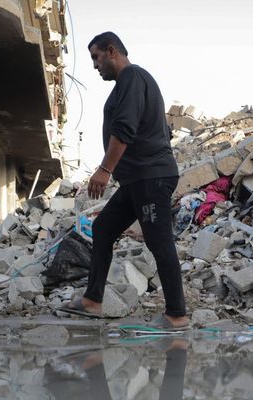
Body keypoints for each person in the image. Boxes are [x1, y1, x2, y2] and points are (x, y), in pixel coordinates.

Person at [58, 32, 189, 330]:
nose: (94, 65)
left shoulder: (132, 77)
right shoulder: (131, 83)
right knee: (103, 228)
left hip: (150, 177)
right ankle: (93, 301)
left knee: (159, 241)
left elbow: (125, 128)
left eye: (96, 57)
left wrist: (104, 170)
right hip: (137, 179)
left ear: (112, 51)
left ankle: (177, 315)